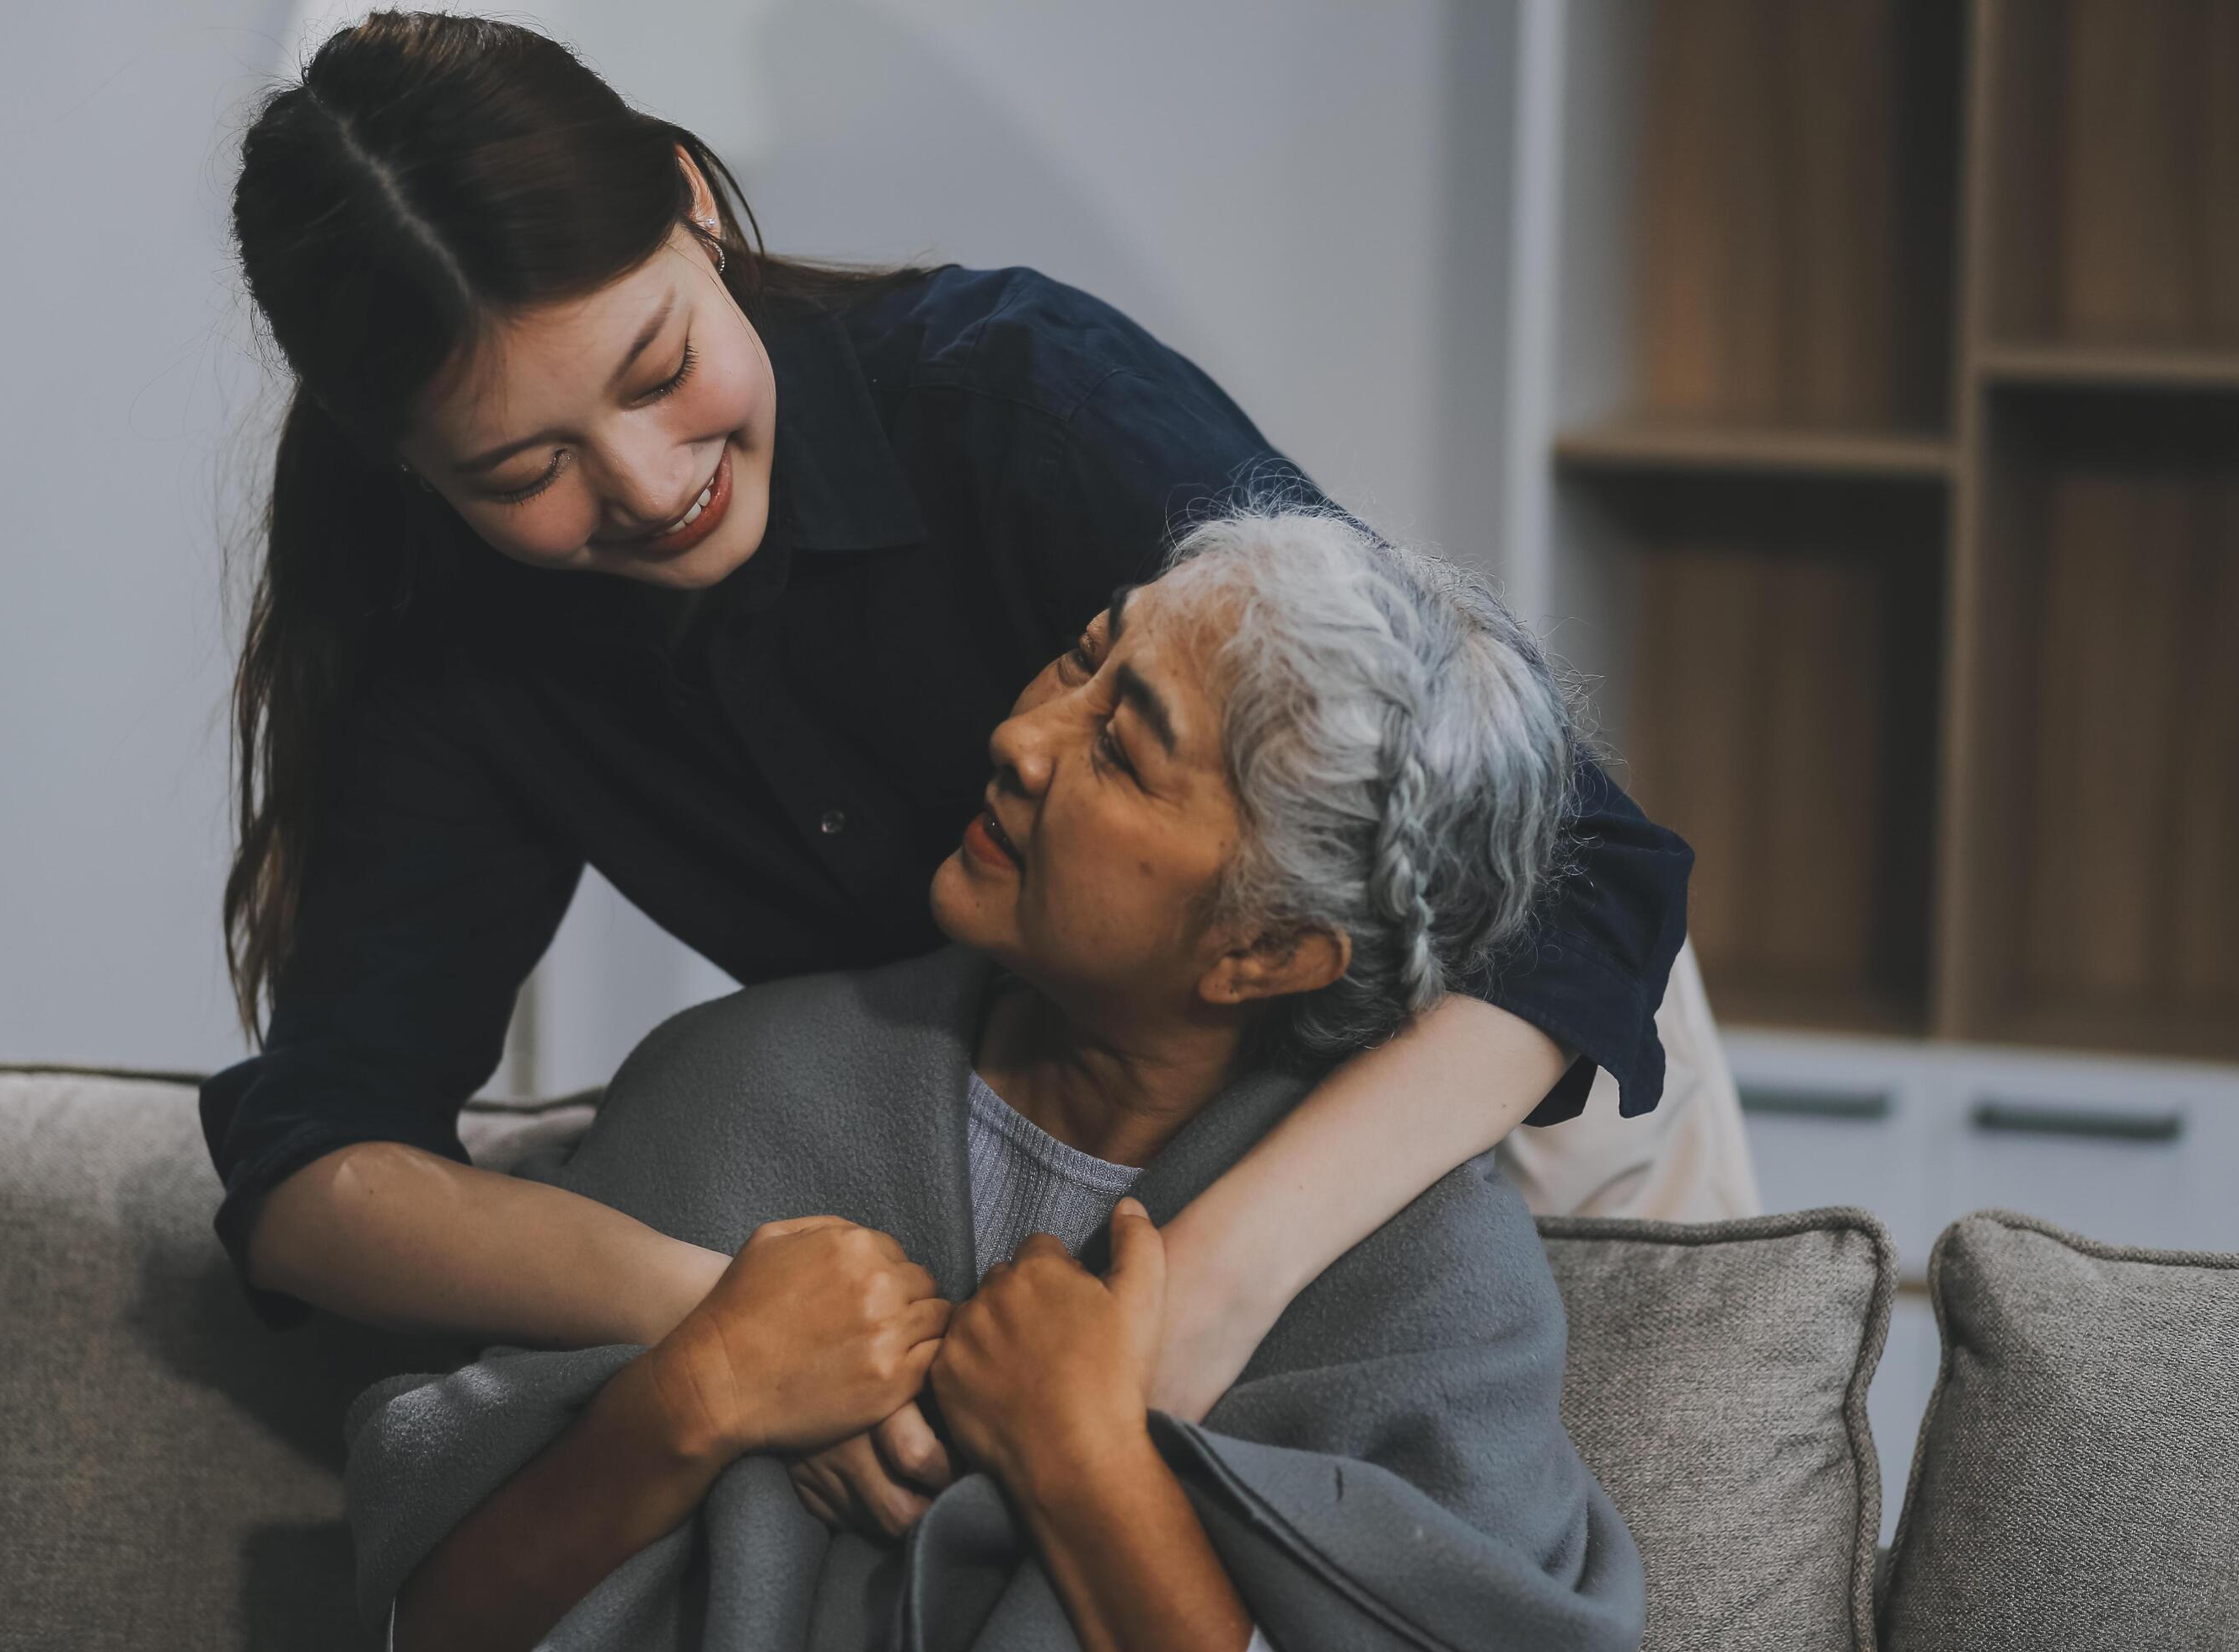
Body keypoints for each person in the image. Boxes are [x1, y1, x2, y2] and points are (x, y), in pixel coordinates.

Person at [207, 9, 1692, 1531]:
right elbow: (316, 1172)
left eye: (659, 369)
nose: (649, 487)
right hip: (1075, 1166)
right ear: (405, 460)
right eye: (526, 471)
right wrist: (720, 1322)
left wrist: (1219, 1282)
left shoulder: (1011, 399)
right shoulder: (457, 650)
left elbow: (1588, 872)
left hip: (1486, 1026)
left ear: (693, 203)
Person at [346, 509, 1646, 1652]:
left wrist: (1083, 1463)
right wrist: (692, 1396)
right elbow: (432, 1630)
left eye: (1124, 754)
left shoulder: (1430, 1285)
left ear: (1264, 951)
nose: (1024, 737)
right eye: (1086, 658)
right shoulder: (734, 1086)